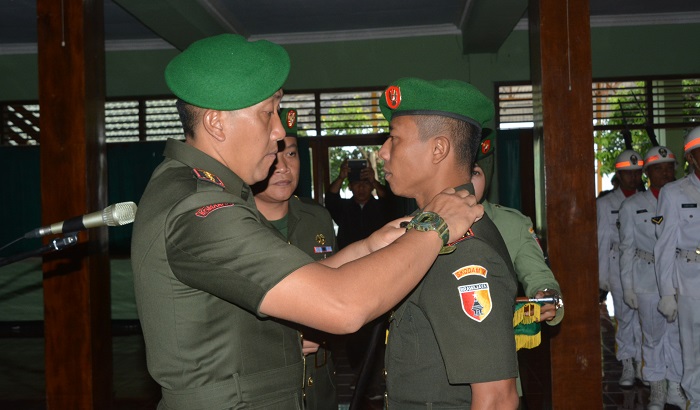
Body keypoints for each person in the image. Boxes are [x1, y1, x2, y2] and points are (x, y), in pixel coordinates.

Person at [130, 34, 483, 409]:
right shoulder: (200, 210)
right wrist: (437, 224)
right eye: (268, 113)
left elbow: (294, 282)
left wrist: (369, 246)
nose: (280, 131)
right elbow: (342, 306)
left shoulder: (198, 189)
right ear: (217, 124)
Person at [378, 77, 519, 409]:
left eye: (395, 138)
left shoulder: (463, 250)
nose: (383, 151)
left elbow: (497, 397)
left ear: (438, 149)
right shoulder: (426, 230)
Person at [251, 108, 338, 410]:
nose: (283, 168)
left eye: (291, 154)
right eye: (273, 156)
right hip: (265, 386)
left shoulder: (318, 219)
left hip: (319, 384)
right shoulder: (235, 224)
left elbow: (334, 289)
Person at [618, 146, 685, 408]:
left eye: (669, 167)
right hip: (646, 278)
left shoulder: (683, 198)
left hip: (678, 277)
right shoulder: (632, 206)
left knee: (678, 336)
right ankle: (657, 386)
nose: (666, 172)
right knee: (653, 336)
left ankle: (675, 386)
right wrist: (627, 287)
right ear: (647, 173)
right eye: (659, 168)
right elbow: (626, 250)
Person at [471, 136, 564, 326]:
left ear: (487, 176)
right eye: (457, 173)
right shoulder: (421, 225)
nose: (464, 182)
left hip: (493, 342)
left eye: (474, 173)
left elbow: (539, 277)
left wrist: (547, 295)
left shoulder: (512, 225)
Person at [654, 126, 700, 410]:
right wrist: (667, 292)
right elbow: (664, 246)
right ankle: (696, 400)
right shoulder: (673, 193)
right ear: (692, 158)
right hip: (690, 279)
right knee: (693, 348)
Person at [596, 149, 645, 387]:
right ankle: (627, 362)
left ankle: (643, 363)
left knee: (645, 316)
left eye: (637, 173)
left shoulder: (650, 200)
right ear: (619, 174)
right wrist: (602, 277)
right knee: (625, 316)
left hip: (644, 264)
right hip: (616, 263)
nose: (633, 177)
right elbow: (602, 240)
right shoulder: (606, 203)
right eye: (628, 173)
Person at [325, 158, 396, 250]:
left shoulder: (381, 207)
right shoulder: (343, 208)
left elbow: (388, 198)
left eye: (366, 183)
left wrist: (373, 180)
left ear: (372, 187)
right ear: (350, 187)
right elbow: (331, 198)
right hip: (347, 257)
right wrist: (341, 177)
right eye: (357, 183)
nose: (361, 188)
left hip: (378, 255)